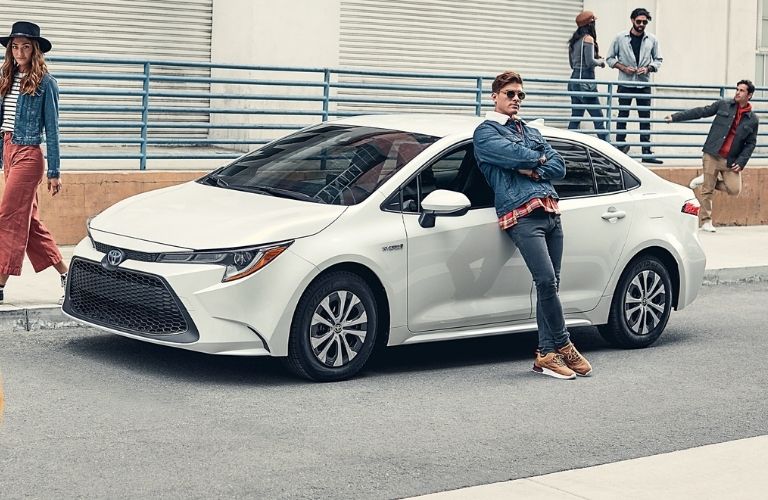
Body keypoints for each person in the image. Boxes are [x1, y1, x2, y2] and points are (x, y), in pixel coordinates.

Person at [473, 70, 592, 380]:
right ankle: (564, 344)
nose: (516, 99)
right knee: (546, 280)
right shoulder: (485, 133)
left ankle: (545, 354)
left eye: (520, 95)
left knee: (550, 284)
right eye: (510, 94)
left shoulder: (532, 132)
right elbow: (509, 154)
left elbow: (559, 166)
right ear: (495, 96)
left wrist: (533, 166)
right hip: (521, 214)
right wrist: (534, 161)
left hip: (551, 211)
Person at [0, 21, 67, 304]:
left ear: (35, 49)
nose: (19, 51)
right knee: (29, 222)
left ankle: (0, 282)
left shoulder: (46, 83)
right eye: (15, 46)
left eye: (25, 46)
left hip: (29, 154)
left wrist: (54, 171)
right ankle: (67, 272)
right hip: (8, 150)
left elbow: (52, 128)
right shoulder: (5, 77)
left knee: (7, 217)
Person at [664, 80, 759, 233]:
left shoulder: (753, 119)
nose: (737, 92)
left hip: (731, 160)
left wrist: (741, 162)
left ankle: (706, 179)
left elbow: (751, 143)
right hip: (712, 154)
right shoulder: (724, 105)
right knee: (707, 190)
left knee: (734, 190)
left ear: (749, 95)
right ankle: (706, 221)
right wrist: (675, 117)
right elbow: (701, 111)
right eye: (737, 89)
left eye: (741, 90)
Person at [605, 7, 663, 164]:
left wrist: (648, 68)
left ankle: (646, 152)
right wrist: (624, 68)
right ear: (632, 20)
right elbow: (609, 59)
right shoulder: (620, 38)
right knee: (622, 116)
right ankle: (619, 150)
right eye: (639, 21)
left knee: (645, 119)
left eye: (645, 22)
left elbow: (658, 59)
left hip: (644, 84)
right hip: (625, 83)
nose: (641, 24)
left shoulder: (652, 39)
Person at [567, 10, 609, 142]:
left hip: (574, 80)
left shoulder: (574, 41)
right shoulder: (588, 39)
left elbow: (572, 63)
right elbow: (590, 62)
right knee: (598, 117)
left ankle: (567, 147)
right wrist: (601, 62)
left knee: (576, 117)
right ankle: (609, 148)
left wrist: (594, 58)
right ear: (590, 24)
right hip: (586, 82)